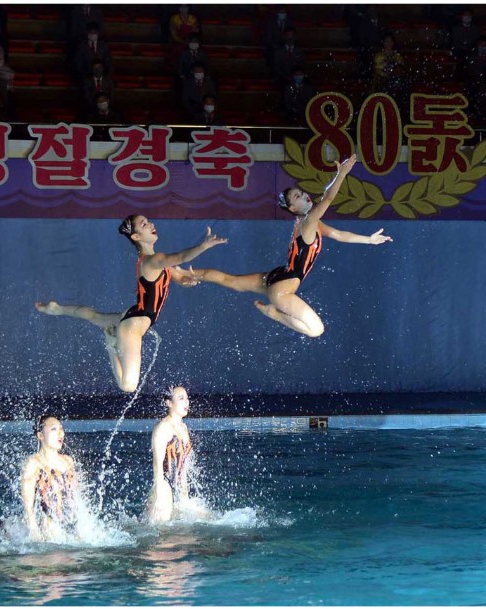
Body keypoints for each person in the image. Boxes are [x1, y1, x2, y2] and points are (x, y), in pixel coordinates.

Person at [191, 155, 393, 338]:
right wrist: (341, 174)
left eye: (301, 192)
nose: (304, 195)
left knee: (231, 280)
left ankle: (184, 271)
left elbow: (340, 235)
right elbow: (328, 198)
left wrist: (369, 240)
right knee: (316, 330)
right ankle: (274, 314)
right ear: (293, 208)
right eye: (297, 197)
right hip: (282, 288)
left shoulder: (310, 223)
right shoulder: (308, 221)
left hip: (277, 276)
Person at [35, 217, 226, 393]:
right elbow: (182, 256)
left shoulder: (158, 262)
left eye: (148, 221)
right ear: (136, 237)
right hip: (134, 325)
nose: (151, 224)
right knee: (128, 385)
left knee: (96, 317)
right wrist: (203, 246)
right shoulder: (152, 260)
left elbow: (175, 275)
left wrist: (185, 280)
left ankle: (58, 309)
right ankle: (110, 344)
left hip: (135, 316)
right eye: (144, 224)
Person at [145, 386, 209, 524]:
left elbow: (182, 466)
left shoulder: (183, 428)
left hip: (177, 490)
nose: (186, 402)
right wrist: (159, 494)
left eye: (187, 398)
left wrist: (184, 495)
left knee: (208, 518)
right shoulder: (163, 428)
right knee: (158, 531)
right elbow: (157, 464)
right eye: (181, 398)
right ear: (169, 403)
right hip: (163, 489)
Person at [20, 415, 82, 542]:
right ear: (40, 435)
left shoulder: (68, 461)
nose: (60, 433)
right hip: (48, 527)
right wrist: (35, 534)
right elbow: (28, 508)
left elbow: (77, 499)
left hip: (70, 524)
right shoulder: (33, 464)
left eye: (61, 429)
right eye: (54, 429)